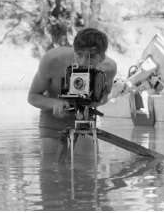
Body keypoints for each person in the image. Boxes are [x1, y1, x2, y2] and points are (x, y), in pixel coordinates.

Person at [28, 28, 117, 158]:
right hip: (53, 120)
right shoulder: (52, 60)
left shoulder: (109, 68)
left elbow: (105, 96)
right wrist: (55, 104)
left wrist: (93, 102)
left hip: (86, 121)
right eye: (79, 54)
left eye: (91, 57)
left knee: (87, 170)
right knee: (51, 169)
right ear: (74, 50)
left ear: (102, 56)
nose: (83, 62)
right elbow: (32, 96)